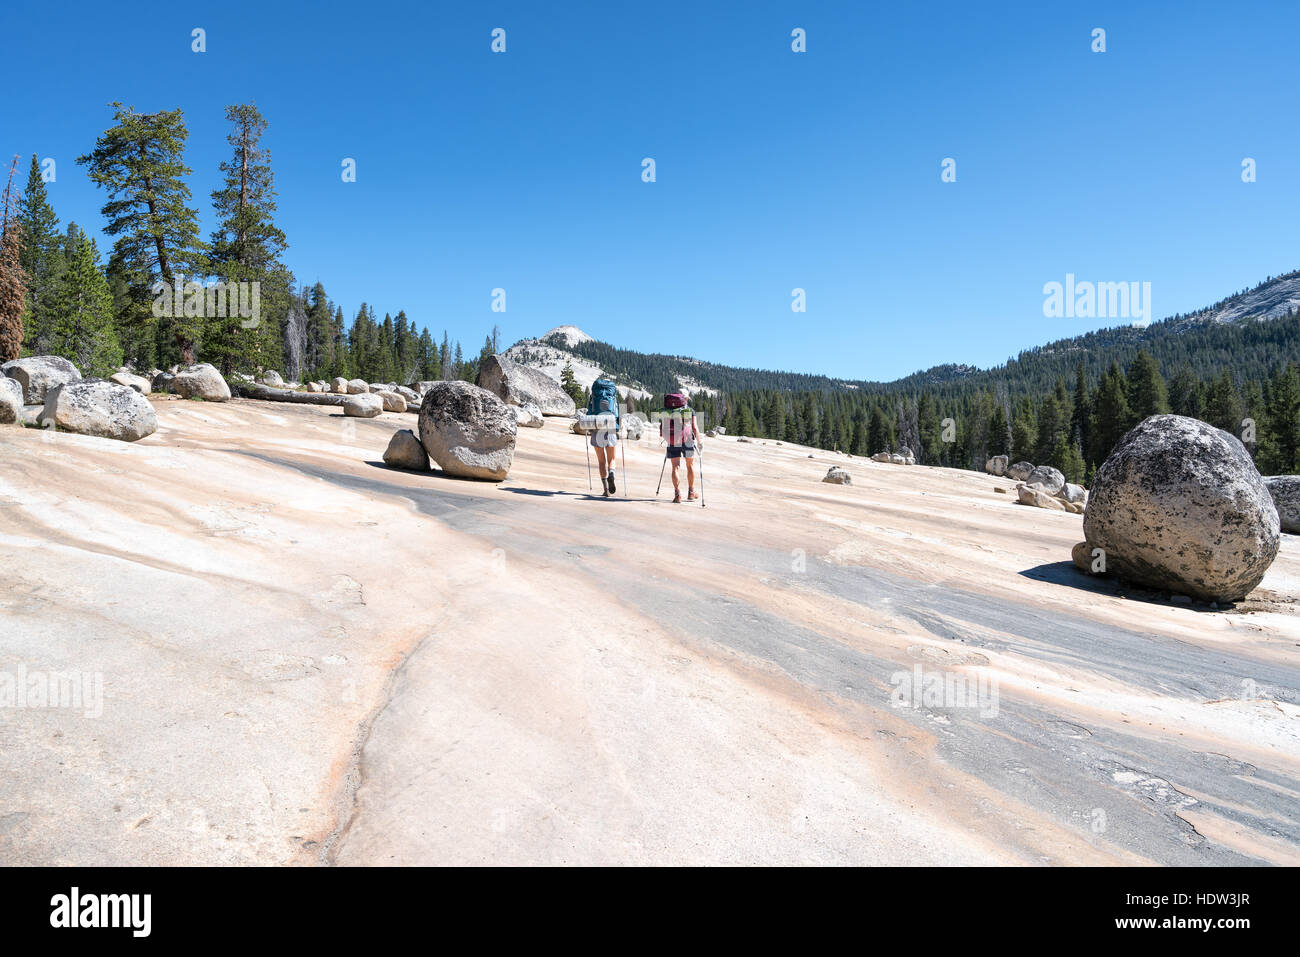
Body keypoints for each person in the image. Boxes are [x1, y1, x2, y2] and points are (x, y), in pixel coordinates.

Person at [587, 379, 621, 497]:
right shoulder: (613, 397)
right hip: (610, 426)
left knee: (601, 461)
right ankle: (611, 473)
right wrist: (618, 428)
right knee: (612, 459)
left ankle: (606, 489)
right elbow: (617, 413)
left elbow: (589, 411)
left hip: (597, 427)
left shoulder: (594, 396)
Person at [664, 403, 701, 503]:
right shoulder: (690, 410)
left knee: (675, 467)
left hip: (673, 440)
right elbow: (694, 427)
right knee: (690, 465)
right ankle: (691, 492)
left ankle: (677, 495)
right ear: (687, 398)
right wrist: (699, 442)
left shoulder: (670, 410)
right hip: (688, 440)